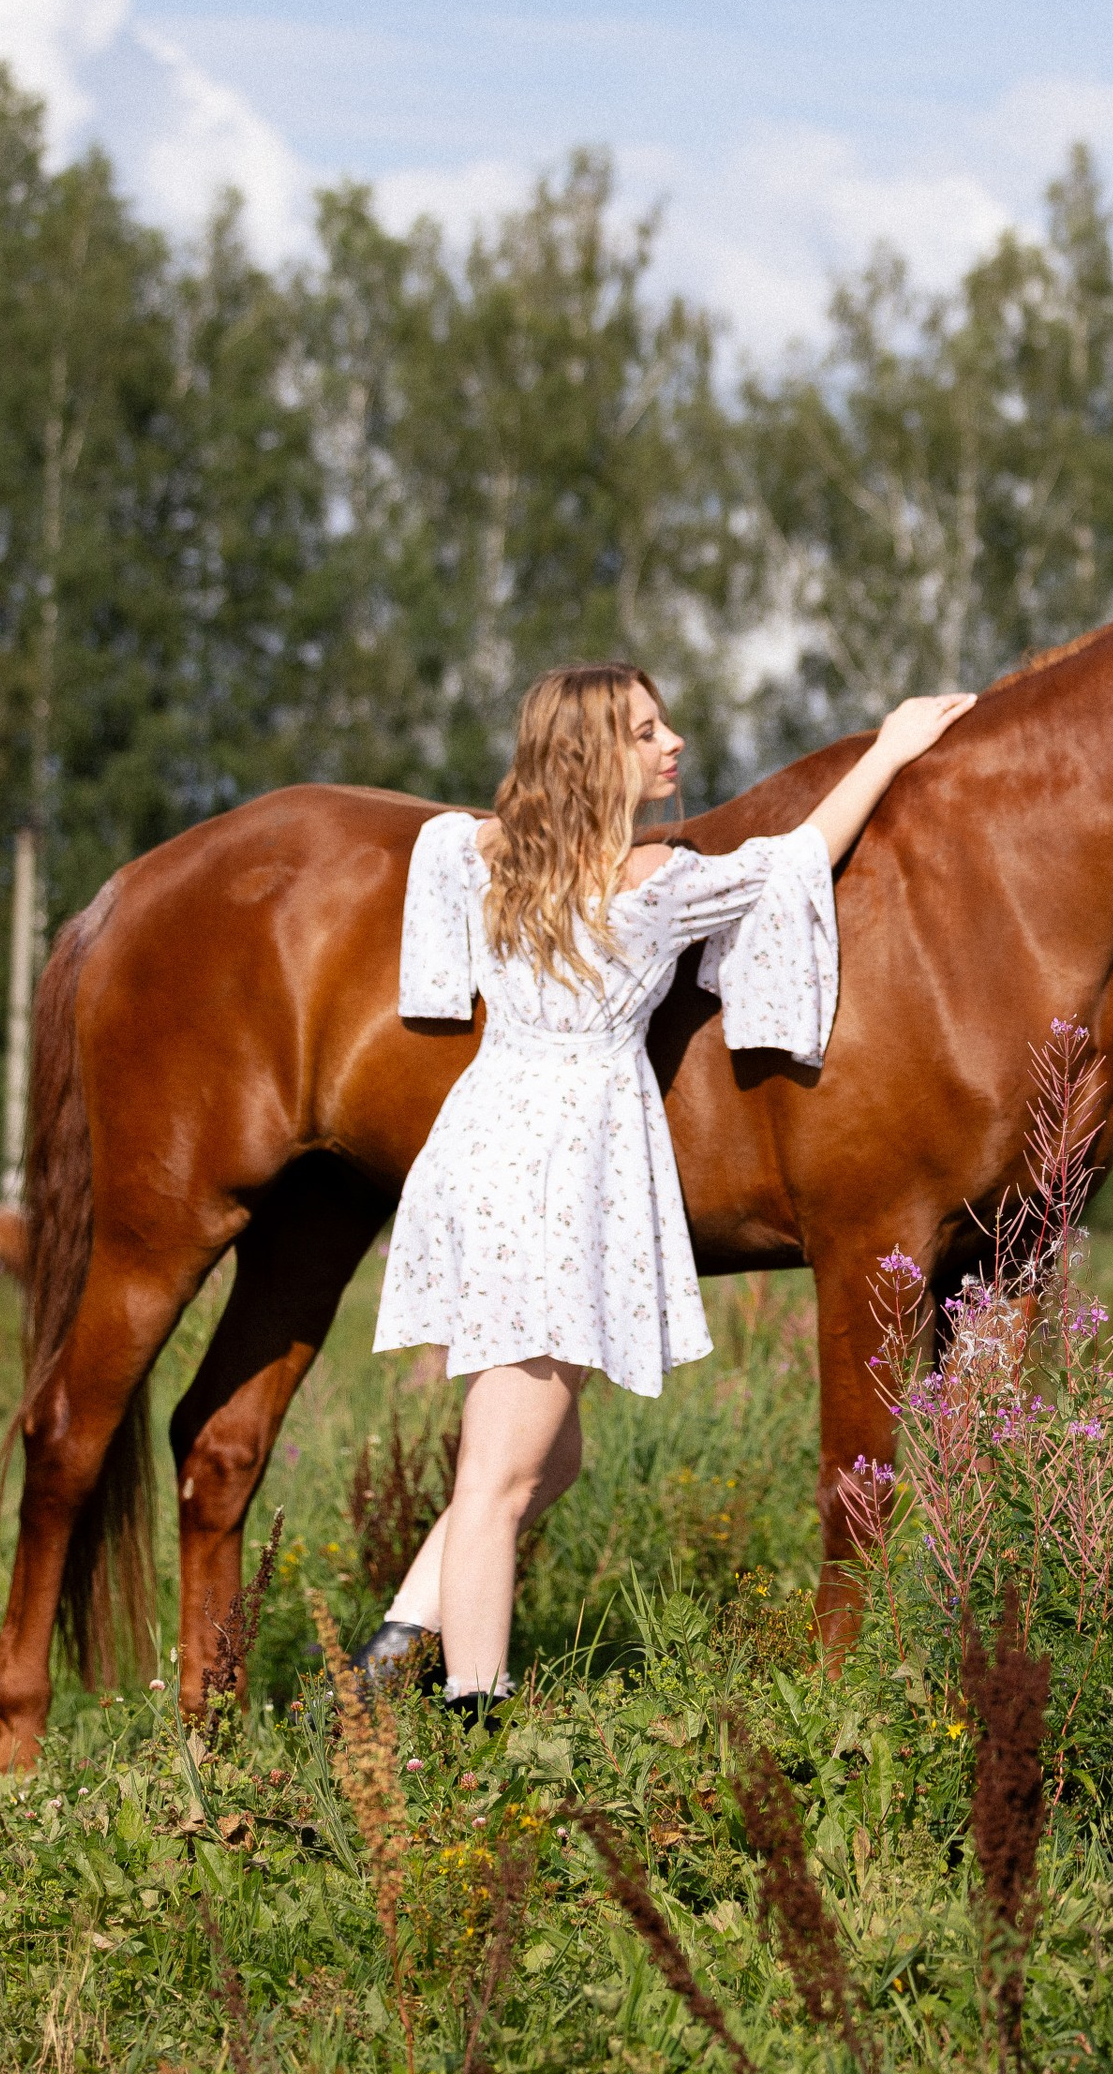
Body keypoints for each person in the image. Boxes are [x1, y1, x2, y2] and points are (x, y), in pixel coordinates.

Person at [362, 661, 974, 1710]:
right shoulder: (652, 884)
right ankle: (473, 1719)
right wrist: (889, 746)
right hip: (560, 1171)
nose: (672, 742)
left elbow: (428, 847)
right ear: (597, 757)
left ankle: (384, 1662)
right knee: (499, 1480)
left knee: (547, 1462)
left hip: (485, 1144)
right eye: (646, 731)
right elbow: (797, 862)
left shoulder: (482, 853)